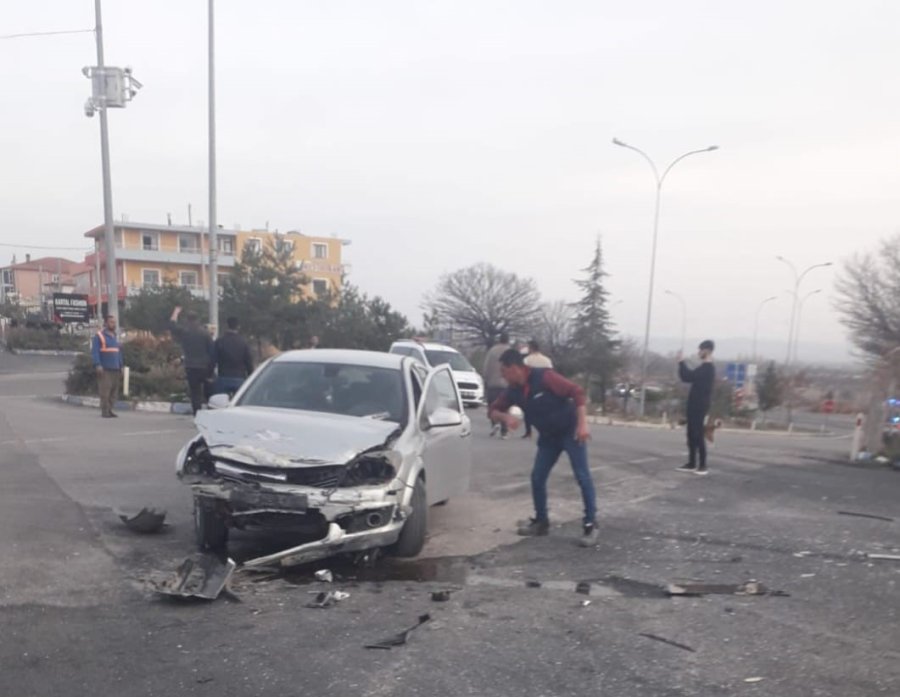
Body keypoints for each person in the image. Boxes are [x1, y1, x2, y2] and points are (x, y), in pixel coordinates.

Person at [489, 349, 599, 546]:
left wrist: (583, 424)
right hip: (548, 437)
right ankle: (541, 522)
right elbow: (493, 410)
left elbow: (577, 392)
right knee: (537, 477)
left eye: (504, 371)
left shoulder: (545, 377)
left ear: (515, 368)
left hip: (570, 431)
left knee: (582, 476)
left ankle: (590, 524)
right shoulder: (513, 390)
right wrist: (505, 417)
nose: (502, 376)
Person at [676, 339, 716, 475]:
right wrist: (681, 363)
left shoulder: (708, 369)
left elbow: (688, 376)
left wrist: (681, 362)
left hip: (700, 406)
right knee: (691, 434)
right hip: (693, 404)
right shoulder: (703, 368)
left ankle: (702, 465)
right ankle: (692, 463)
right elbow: (687, 377)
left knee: (698, 434)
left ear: (708, 351)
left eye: (701, 350)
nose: (699, 352)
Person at [169, 306, 215, 415]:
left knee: (195, 393)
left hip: (191, 366)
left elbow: (172, 325)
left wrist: (175, 312)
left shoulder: (185, 332)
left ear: (187, 320)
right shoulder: (205, 333)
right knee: (210, 392)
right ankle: (211, 413)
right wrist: (211, 370)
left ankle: (197, 415)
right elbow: (212, 352)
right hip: (205, 367)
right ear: (197, 319)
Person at [91, 314, 124, 418]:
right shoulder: (99, 336)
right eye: (111, 322)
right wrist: (98, 364)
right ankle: (105, 411)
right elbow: (95, 352)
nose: (113, 324)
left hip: (116, 368)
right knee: (105, 392)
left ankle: (110, 410)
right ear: (106, 323)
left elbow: (118, 352)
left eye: (114, 322)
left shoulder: (114, 336)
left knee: (114, 392)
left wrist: (121, 365)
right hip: (105, 369)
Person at [213, 316, 254, 397]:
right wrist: (250, 375)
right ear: (238, 327)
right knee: (239, 403)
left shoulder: (220, 341)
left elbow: (213, 359)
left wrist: (209, 374)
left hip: (223, 377)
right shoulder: (243, 342)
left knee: (221, 403)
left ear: (226, 326)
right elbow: (248, 361)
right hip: (239, 378)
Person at [482, 332, 511, 438]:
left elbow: (486, 368)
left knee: (493, 405)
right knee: (505, 407)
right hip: (507, 385)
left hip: (493, 384)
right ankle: (504, 431)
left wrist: (486, 379)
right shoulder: (511, 352)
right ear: (508, 340)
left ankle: (495, 424)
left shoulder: (492, 351)